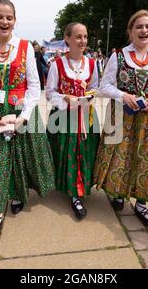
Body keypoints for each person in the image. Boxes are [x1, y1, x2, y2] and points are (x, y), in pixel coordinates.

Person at [0, 0, 55, 245]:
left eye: (9, 17)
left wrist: (23, 118)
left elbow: (34, 85)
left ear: (15, 20)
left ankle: (19, 195)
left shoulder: (25, 47)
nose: (4, 21)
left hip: (22, 113)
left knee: (22, 158)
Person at [94, 10, 148, 228]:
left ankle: (141, 204)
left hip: (146, 118)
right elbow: (104, 86)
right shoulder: (118, 56)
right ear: (130, 31)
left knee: (147, 158)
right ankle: (118, 193)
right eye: (139, 27)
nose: (144, 31)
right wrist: (123, 96)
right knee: (118, 156)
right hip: (120, 114)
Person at [46, 22, 100, 220]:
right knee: (67, 151)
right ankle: (72, 191)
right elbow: (50, 92)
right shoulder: (57, 64)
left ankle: (80, 188)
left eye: (85, 37)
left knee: (83, 151)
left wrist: (88, 98)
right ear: (67, 38)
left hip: (85, 114)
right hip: (63, 116)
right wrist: (67, 98)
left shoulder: (92, 64)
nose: (83, 41)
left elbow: (95, 87)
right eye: (78, 37)